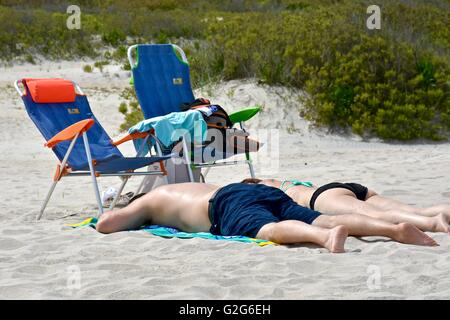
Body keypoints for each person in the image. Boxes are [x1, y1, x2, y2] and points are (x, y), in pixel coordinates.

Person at [96, 182, 437, 253]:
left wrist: (130, 213)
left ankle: (325, 240)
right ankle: (393, 230)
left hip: (224, 205)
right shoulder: (183, 184)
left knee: (269, 229)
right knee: (321, 217)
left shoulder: (151, 200)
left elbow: (105, 225)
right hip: (250, 189)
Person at [241, 178, 450, 233]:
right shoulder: (284, 181)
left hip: (323, 198)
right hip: (342, 186)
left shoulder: (264, 185)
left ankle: (433, 224)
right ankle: (437, 215)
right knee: (411, 210)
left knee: (378, 216)